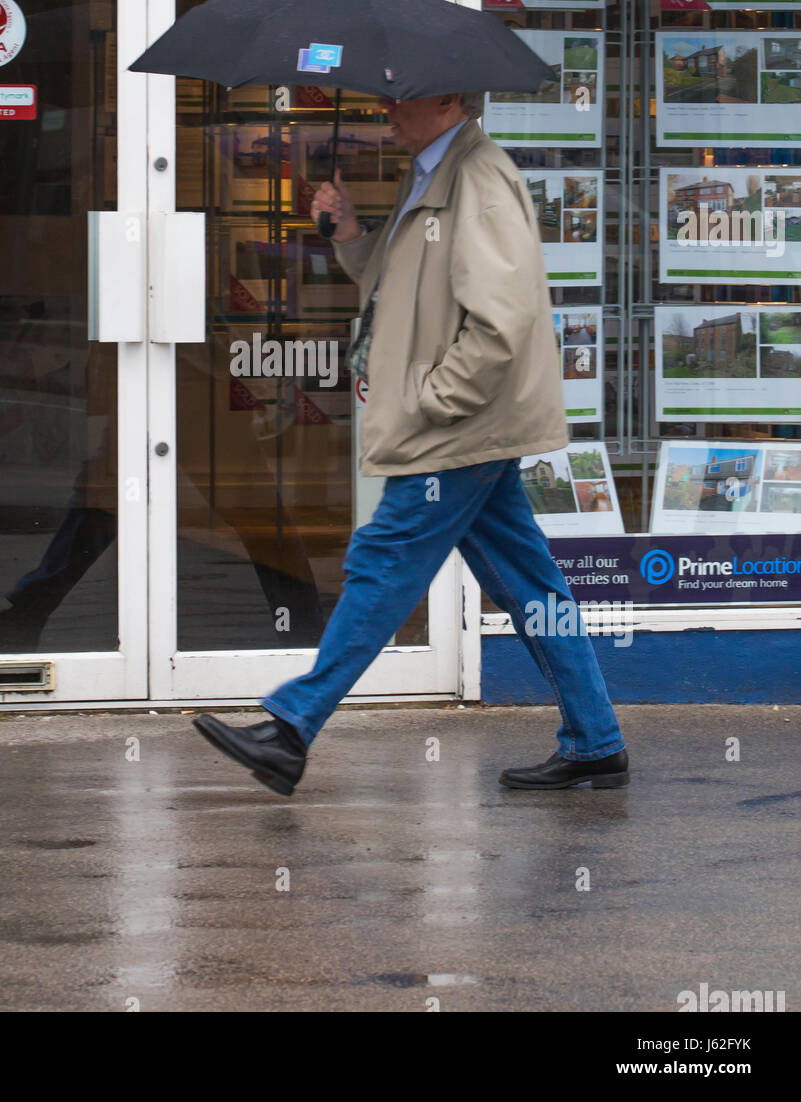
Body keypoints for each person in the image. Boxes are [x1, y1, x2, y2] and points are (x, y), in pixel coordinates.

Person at [193, 92, 628, 796]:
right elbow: (398, 289)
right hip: (467, 426)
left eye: (402, 95)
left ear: (449, 100)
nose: (385, 108)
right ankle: (595, 741)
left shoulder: (477, 177)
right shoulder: (429, 173)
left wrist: (433, 400)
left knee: (382, 560)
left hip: (460, 425)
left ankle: (291, 726)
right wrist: (351, 235)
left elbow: (501, 320)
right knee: (527, 584)